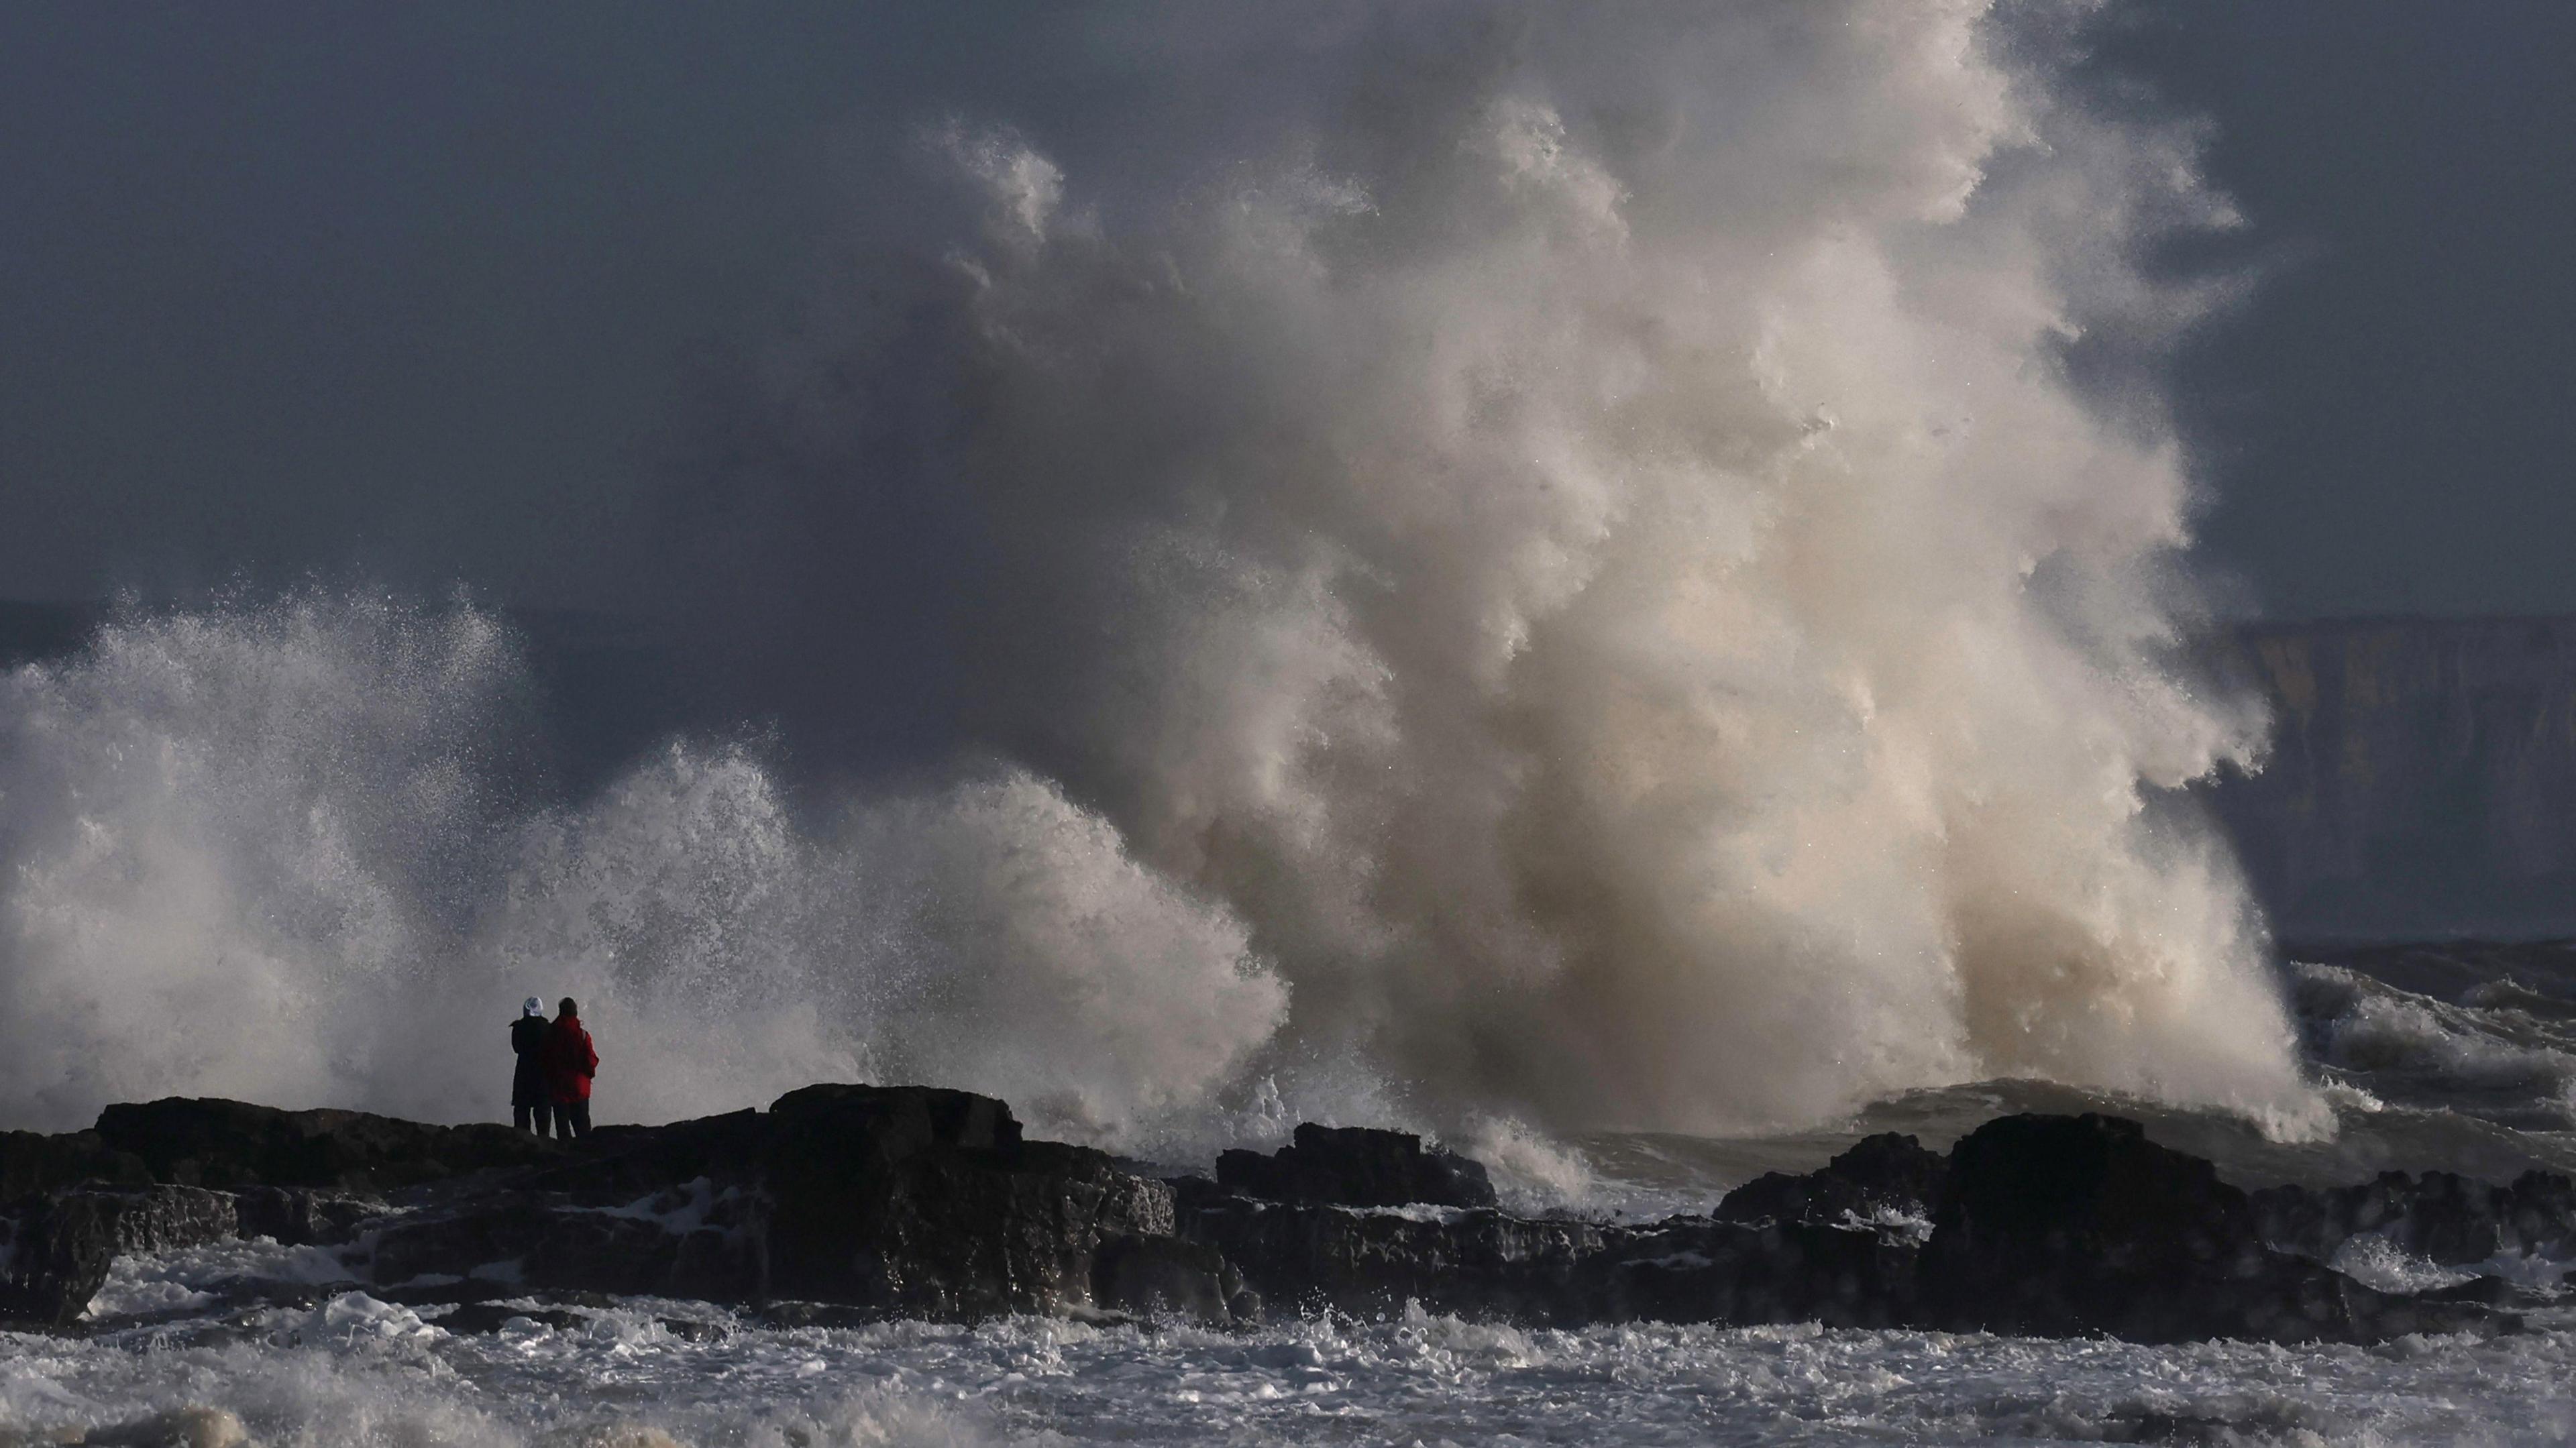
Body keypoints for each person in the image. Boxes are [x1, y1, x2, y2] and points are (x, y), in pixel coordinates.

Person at [544, 996, 599, 1140]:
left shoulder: (551, 1033)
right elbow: (590, 1060)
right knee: (583, 1130)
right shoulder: (582, 1035)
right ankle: (587, 1158)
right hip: (579, 1087)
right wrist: (589, 1074)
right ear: (575, 1013)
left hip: (558, 1088)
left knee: (563, 1131)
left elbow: (546, 1059)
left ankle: (565, 1159)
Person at [508, 997, 552, 1135]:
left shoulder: (518, 1027)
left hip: (524, 1073)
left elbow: (516, 1048)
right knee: (542, 1112)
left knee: (522, 1111)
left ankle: (522, 1143)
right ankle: (544, 1144)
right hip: (543, 1074)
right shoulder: (548, 1027)